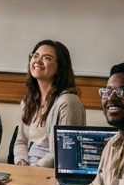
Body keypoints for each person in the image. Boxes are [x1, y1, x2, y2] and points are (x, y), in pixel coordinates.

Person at [14, 40, 85, 168]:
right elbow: (21, 141)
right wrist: (21, 165)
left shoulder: (68, 102)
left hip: (51, 171)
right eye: (35, 56)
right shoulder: (28, 101)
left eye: (47, 58)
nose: (38, 61)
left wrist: (34, 169)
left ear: (59, 67)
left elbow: (64, 151)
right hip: (28, 168)